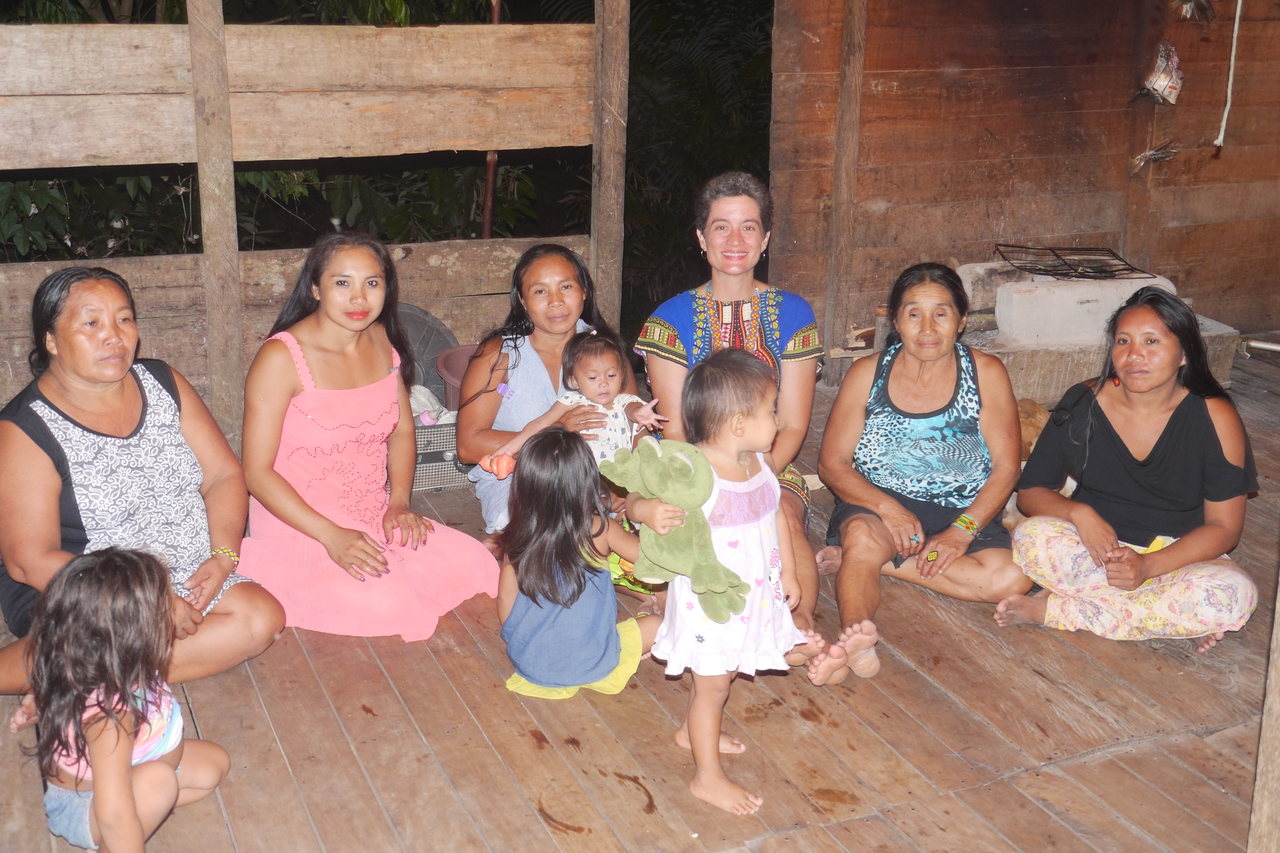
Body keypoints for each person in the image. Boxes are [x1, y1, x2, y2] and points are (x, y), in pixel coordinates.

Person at [0, 267, 283, 697]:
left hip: (181, 567)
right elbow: (28, 560)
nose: (113, 336)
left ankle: (89, 678)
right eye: (91, 323)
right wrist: (144, 602)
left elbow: (223, 475)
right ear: (51, 340)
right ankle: (72, 667)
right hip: (87, 588)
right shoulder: (25, 428)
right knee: (101, 641)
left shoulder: (162, 382)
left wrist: (223, 555)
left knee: (262, 618)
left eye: (124, 319)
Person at [239, 232, 497, 641]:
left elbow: (403, 430)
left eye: (372, 283)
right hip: (302, 524)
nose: (358, 297)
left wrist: (399, 503)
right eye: (342, 282)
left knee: (474, 562)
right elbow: (256, 473)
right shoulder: (281, 358)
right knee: (390, 602)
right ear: (315, 288)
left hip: (373, 511)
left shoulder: (379, 338)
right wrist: (331, 536)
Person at [995, 286, 1257, 651]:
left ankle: (1056, 610)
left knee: (1232, 595)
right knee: (1031, 538)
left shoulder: (1214, 416)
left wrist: (1148, 567)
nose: (1134, 355)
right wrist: (1079, 514)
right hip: (1094, 552)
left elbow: (1224, 529)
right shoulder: (1084, 402)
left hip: (1175, 558)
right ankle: (1160, 614)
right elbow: (1030, 492)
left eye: (1152, 341)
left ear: (1184, 353)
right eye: (1123, 341)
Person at [816, 263, 1028, 683]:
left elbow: (1006, 468)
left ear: (961, 320)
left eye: (941, 314)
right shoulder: (867, 374)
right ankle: (857, 635)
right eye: (914, 314)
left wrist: (962, 531)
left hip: (959, 508)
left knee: (1010, 578)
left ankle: (873, 563)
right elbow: (832, 464)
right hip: (880, 503)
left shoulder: (986, 373)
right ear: (896, 322)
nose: (927, 328)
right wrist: (887, 509)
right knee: (863, 536)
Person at [634, 172, 825, 637]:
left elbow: (792, 424)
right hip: (691, 470)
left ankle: (798, 627)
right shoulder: (669, 320)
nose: (735, 240)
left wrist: (757, 479)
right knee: (686, 526)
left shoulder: (794, 313)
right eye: (721, 227)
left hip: (771, 462)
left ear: (766, 239)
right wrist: (719, 486)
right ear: (702, 239)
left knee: (783, 516)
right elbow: (676, 429)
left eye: (748, 227)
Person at [645, 349, 824, 816]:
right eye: (771, 410)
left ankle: (690, 734)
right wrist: (649, 515)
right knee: (713, 688)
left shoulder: (758, 462)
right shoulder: (696, 477)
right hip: (710, 605)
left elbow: (776, 516)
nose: (779, 420)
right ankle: (706, 777)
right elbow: (647, 507)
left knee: (719, 678)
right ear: (739, 424)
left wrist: (788, 570)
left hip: (752, 597)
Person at [25, 547, 230, 850]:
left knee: (215, 765)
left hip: (137, 763)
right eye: (164, 605)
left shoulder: (110, 657)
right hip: (88, 805)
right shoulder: (110, 716)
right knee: (158, 784)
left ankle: (145, 799)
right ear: (137, 632)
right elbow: (114, 818)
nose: (173, 609)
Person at [457, 244, 635, 535]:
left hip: (599, 478)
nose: (556, 301)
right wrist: (555, 433)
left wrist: (623, 488)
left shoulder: (606, 353)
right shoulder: (499, 355)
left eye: (566, 287)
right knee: (539, 533)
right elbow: (468, 446)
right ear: (523, 300)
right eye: (540, 291)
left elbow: (635, 427)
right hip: (520, 481)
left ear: (584, 291)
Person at [496, 427, 661, 699]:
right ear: (587, 481)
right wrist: (640, 510)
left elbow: (506, 600)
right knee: (657, 625)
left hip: (530, 662)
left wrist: (519, 640)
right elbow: (653, 559)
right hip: (592, 662)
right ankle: (643, 620)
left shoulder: (517, 536)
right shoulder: (601, 529)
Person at [490, 331, 665, 464]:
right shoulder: (572, 400)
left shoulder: (622, 401)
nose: (604, 383)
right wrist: (508, 449)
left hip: (621, 476)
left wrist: (639, 413)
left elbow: (633, 409)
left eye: (611, 375)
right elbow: (540, 423)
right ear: (574, 381)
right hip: (582, 475)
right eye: (593, 378)